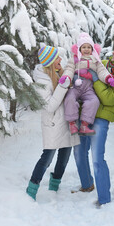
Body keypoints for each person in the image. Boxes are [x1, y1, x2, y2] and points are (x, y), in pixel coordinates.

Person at [73, 42, 114, 207]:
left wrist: (94, 77)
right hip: (85, 114)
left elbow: (109, 98)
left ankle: (104, 198)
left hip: (100, 118)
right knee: (79, 152)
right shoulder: (104, 63)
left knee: (97, 158)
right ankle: (87, 185)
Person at [26, 45, 80, 200]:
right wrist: (63, 86)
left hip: (67, 122)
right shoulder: (42, 81)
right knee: (47, 158)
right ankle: (31, 190)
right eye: (57, 58)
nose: (60, 60)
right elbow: (49, 106)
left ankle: (54, 187)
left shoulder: (58, 73)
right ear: (50, 62)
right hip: (53, 124)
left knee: (64, 159)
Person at [59, 32, 114, 136]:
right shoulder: (74, 59)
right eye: (84, 47)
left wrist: (108, 78)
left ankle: (84, 125)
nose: (86, 49)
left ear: (92, 49)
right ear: (79, 49)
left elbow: (101, 71)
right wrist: (67, 77)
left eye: (89, 47)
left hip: (88, 88)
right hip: (76, 85)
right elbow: (69, 69)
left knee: (94, 101)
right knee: (69, 98)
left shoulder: (95, 60)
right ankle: (72, 123)